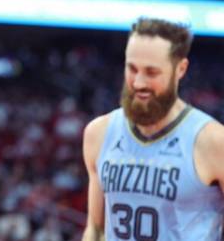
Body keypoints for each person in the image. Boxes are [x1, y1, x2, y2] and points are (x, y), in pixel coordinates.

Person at [82, 18, 224, 241]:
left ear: (180, 69)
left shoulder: (214, 141)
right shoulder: (98, 133)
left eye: (151, 72)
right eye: (132, 68)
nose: (138, 82)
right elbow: (96, 230)